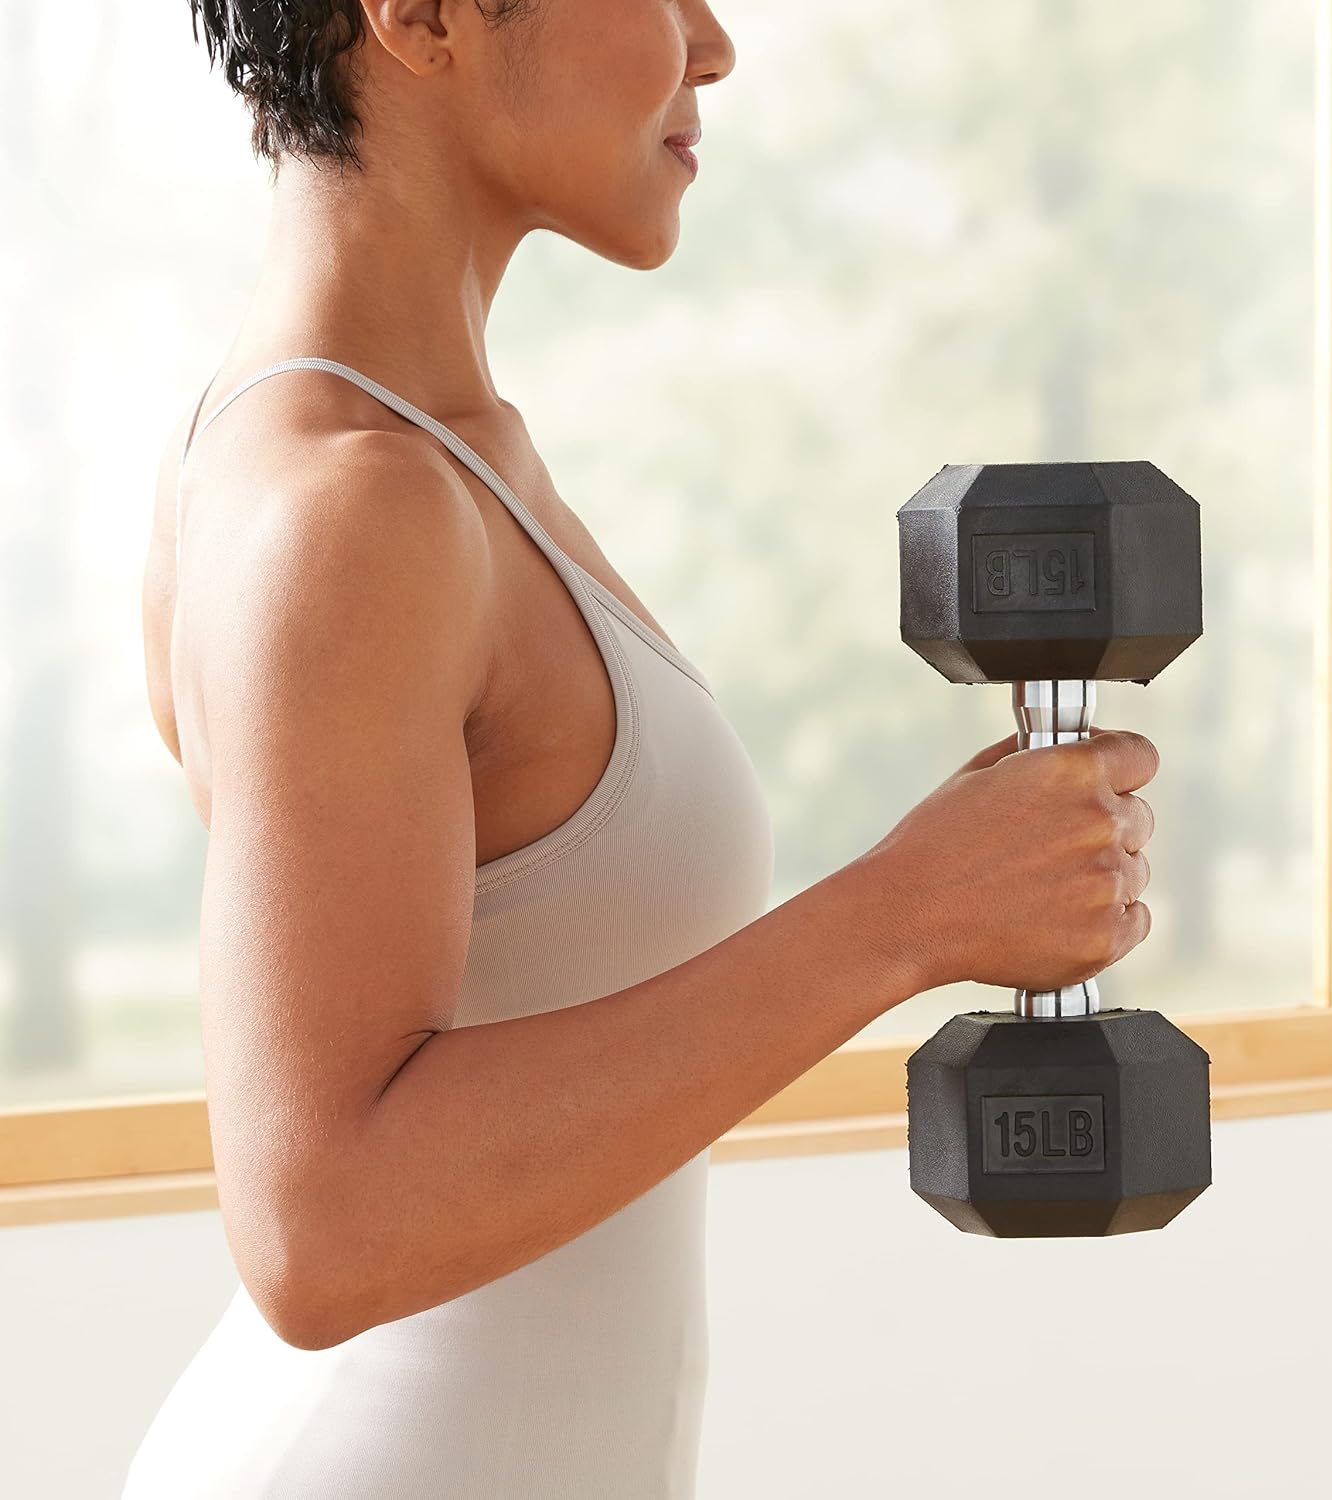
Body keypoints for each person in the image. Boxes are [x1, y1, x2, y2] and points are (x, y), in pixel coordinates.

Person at [126, 2, 1158, 1494]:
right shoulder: (352, 502)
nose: (713, 43)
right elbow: (320, 1229)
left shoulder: (412, 449)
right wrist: (905, 916)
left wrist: (950, 880)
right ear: (419, 17)